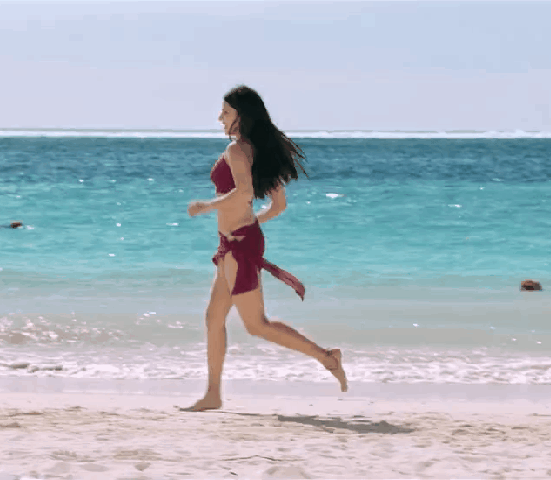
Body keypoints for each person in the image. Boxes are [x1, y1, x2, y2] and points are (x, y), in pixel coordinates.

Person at [185, 85, 347, 412]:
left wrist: (207, 206)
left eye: (226, 112)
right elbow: (278, 206)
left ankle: (327, 357)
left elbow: (244, 193)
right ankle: (213, 394)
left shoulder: (236, 151)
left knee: (256, 324)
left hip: (238, 245)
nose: (220, 118)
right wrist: (248, 225)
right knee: (214, 317)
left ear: (241, 116)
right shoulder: (257, 151)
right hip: (237, 241)